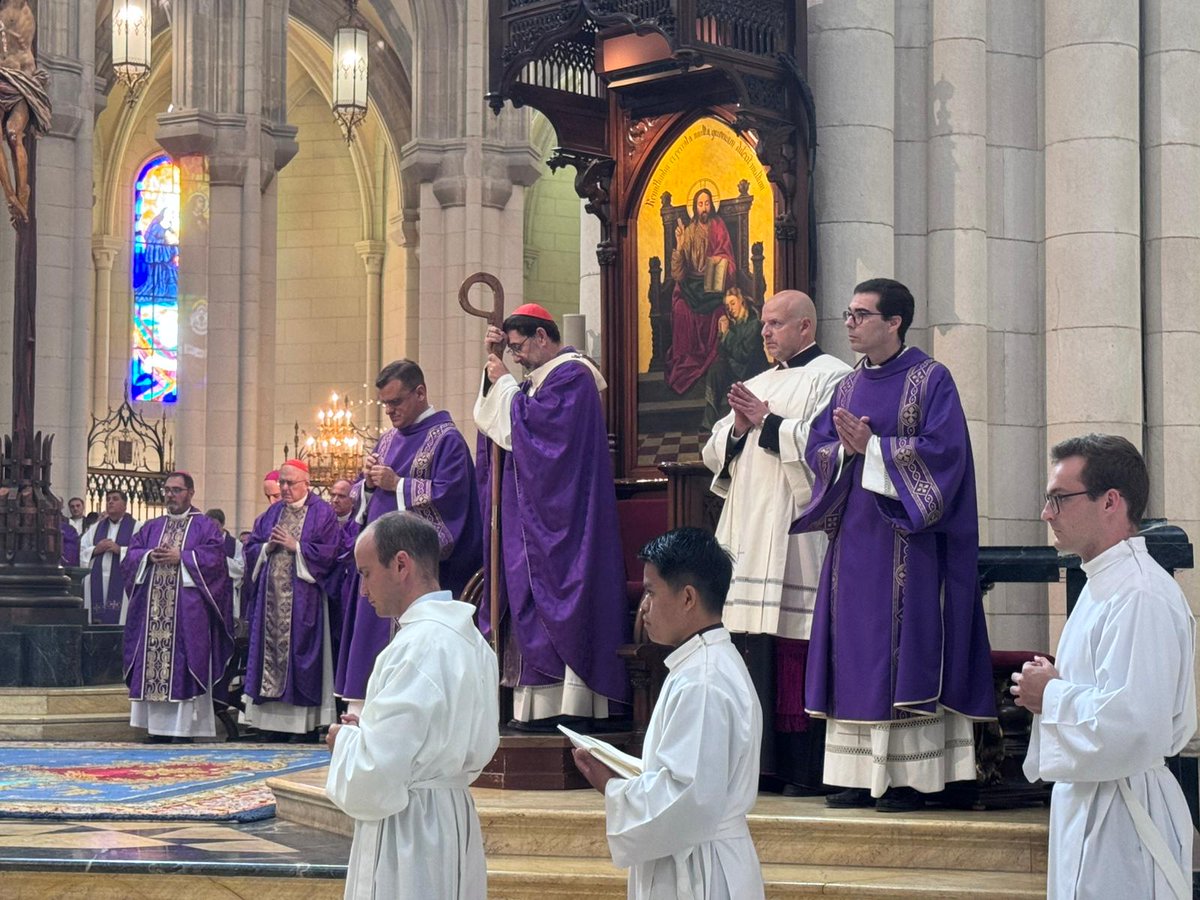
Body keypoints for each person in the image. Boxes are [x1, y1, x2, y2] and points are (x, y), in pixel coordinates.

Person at [792, 278, 994, 812]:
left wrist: (876, 448)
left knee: (906, 650)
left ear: (894, 322)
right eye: (850, 313)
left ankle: (911, 779)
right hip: (855, 544)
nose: (851, 324)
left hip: (912, 545)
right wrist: (843, 453)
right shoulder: (846, 386)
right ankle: (858, 774)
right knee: (855, 654)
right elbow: (819, 448)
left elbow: (945, 455)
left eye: (861, 315)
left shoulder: (931, 380)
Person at [1013, 435, 1196, 899]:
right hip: (1092, 803)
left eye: (1059, 498)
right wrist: (1054, 687)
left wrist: (1051, 694)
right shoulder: (1103, 585)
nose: (1046, 513)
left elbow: (1135, 723)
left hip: (1125, 818)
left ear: (1111, 501)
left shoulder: (1140, 594)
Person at [701, 289, 850, 790]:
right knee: (749, 644)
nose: (765, 332)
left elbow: (828, 451)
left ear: (806, 327)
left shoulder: (835, 377)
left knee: (793, 644)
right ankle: (754, 766)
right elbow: (711, 450)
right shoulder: (756, 383)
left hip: (795, 533)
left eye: (776, 324)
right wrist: (740, 428)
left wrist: (768, 423)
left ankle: (799, 769)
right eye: (763, 324)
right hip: (748, 528)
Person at [573, 528, 764, 899]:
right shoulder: (704, 664)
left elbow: (686, 796)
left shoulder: (703, 681)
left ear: (688, 597)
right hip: (700, 856)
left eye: (650, 591)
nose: (642, 606)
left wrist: (611, 787)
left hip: (700, 872)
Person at [326, 512, 499, 899]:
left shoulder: (414, 647)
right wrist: (367, 730)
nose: (362, 589)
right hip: (451, 817)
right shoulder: (473, 641)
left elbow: (375, 776)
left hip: (408, 831)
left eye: (366, 573)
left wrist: (344, 741)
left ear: (401, 564)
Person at [475, 303, 629, 729]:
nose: (518, 356)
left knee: (559, 591)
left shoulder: (573, 377)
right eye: (511, 349)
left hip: (565, 519)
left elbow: (544, 437)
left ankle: (570, 703)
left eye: (519, 347)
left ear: (542, 337)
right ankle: (536, 703)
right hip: (532, 520)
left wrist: (504, 383)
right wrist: (494, 376)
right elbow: (496, 428)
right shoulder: (534, 382)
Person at [335, 360, 482, 714]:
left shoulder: (447, 440)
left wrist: (397, 484)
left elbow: (453, 499)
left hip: (412, 574)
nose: (390, 412)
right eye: (385, 405)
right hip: (379, 566)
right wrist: (367, 486)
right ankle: (361, 712)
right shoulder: (386, 441)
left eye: (396, 402)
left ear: (420, 393)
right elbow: (363, 499)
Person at [121, 472, 234, 742]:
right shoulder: (151, 526)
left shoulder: (205, 526)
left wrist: (182, 557)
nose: (170, 495)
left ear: (190, 493)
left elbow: (217, 562)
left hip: (187, 614)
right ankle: (156, 729)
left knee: (184, 666)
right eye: (167, 490)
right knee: (153, 668)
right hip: (153, 612)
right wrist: (149, 556)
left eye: (176, 490)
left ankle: (184, 730)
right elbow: (131, 556)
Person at [243, 459, 340, 739]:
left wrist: (296, 546)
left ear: (306, 483)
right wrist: (266, 548)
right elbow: (251, 549)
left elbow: (330, 553)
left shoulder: (323, 513)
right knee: (268, 658)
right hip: (269, 603)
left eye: (290, 483)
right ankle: (269, 725)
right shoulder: (271, 514)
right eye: (282, 482)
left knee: (302, 657)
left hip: (304, 602)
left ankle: (302, 727)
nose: (284, 488)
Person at [666, 188, 737, 394]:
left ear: (711, 205)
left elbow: (727, 255)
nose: (704, 208)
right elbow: (678, 275)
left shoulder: (718, 226)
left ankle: (712, 360)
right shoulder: (688, 231)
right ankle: (686, 359)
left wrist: (719, 263)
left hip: (713, 286)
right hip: (691, 285)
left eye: (707, 203)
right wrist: (679, 247)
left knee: (717, 312)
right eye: (700, 204)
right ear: (695, 207)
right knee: (680, 308)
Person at [701, 286, 770, 430]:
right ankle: (709, 421)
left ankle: (711, 421)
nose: (730, 308)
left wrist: (727, 335)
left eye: (733, 303)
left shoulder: (754, 324)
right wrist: (722, 333)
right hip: (735, 367)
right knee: (715, 370)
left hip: (751, 369)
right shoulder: (734, 324)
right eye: (727, 305)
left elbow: (744, 355)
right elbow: (722, 352)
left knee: (717, 370)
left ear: (742, 302)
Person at [80, 490, 139, 625]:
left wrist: (121, 550)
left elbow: (141, 553)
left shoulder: (137, 527)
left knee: (121, 619)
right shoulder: (95, 528)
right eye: (108, 499)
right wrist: (95, 549)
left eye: (115, 499)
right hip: (96, 579)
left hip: (123, 582)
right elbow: (82, 550)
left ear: (125, 505)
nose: (110, 502)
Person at [205, 508, 245, 617]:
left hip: (228, 592)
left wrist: (221, 560)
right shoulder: (204, 543)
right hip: (208, 592)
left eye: (216, 525)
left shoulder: (235, 544)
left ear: (223, 524)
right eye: (209, 526)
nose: (213, 529)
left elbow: (241, 568)